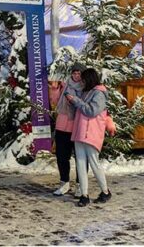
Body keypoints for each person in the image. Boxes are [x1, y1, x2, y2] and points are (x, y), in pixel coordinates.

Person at [65, 68, 116, 207]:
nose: (81, 81)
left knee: (94, 163)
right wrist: (73, 101)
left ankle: (105, 191)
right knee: (80, 164)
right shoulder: (86, 91)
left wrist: (76, 100)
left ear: (90, 79)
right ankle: (84, 195)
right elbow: (82, 109)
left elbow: (91, 111)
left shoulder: (99, 93)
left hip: (91, 133)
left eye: (83, 79)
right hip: (80, 132)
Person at [48, 62, 84, 196]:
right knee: (62, 156)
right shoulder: (65, 85)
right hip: (62, 125)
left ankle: (81, 185)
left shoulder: (87, 88)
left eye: (79, 73)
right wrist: (55, 89)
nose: (76, 76)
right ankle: (64, 183)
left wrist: (74, 100)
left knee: (80, 158)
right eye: (74, 73)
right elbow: (55, 102)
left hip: (77, 126)